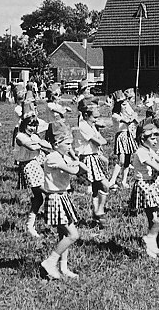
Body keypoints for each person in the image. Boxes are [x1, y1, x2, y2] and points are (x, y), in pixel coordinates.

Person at [40, 124, 87, 280]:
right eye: (67, 144)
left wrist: (75, 160)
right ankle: (50, 262)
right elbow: (74, 171)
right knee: (73, 235)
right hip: (55, 198)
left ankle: (63, 267)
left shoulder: (62, 156)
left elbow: (84, 169)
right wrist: (76, 162)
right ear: (55, 144)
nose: (70, 147)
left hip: (63, 197)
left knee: (63, 235)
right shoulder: (52, 157)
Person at [130, 123, 159, 259]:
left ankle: (152, 250)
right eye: (153, 139)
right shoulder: (141, 152)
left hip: (151, 185)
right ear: (143, 139)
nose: (156, 141)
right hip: (144, 186)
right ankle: (150, 236)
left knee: (153, 219)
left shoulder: (149, 150)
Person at [15, 105, 52, 238]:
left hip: (36, 165)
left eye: (34, 126)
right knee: (49, 192)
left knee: (39, 198)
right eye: (30, 125)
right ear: (24, 125)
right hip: (28, 167)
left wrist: (40, 143)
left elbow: (49, 146)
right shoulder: (20, 136)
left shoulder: (34, 136)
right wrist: (40, 144)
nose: (32, 128)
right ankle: (53, 219)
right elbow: (30, 146)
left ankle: (30, 225)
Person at [74, 97, 109, 227]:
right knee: (105, 185)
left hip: (94, 155)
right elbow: (100, 141)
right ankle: (100, 210)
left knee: (96, 188)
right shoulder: (83, 126)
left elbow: (100, 139)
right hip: (88, 157)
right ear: (86, 115)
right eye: (94, 117)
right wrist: (100, 138)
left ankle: (95, 215)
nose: (96, 120)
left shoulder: (91, 125)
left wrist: (99, 137)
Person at [109, 90, 139, 189]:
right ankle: (112, 180)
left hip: (128, 135)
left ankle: (123, 181)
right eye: (122, 103)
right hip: (121, 136)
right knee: (121, 160)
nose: (124, 105)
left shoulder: (125, 110)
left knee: (127, 161)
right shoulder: (116, 115)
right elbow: (127, 121)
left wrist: (133, 115)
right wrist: (131, 117)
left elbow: (134, 117)